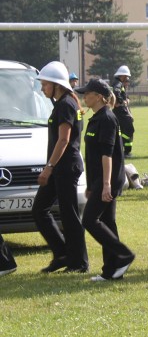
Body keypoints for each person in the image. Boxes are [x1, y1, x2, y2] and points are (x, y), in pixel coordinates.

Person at [75, 79, 136, 282]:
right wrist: (92, 185)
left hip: (108, 178)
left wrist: (106, 184)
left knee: (90, 220)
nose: (84, 96)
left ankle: (124, 255)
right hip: (100, 178)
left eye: (87, 93)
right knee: (108, 222)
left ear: (99, 96)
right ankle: (110, 271)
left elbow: (107, 154)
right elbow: (92, 155)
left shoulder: (108, 119)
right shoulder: (96, 118)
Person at [33, 61, 87, 273]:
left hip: (65, 167)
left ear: (56, 85)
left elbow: (64, 140)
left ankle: (79, 262)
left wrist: (49, 167)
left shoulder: (66, 104)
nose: (42, 88)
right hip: (60, 168)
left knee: (69, 214)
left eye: (45, 84)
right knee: (40, 209)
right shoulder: (63, 103)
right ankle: (63, 253)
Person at [112, 65, 135, 156]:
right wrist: (122, 101)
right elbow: (116, 92)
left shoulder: (117, 83)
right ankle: (126, 151)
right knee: (129, 129)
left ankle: (123, 150)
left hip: (119, 111)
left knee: (124, 130)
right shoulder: (118, 84)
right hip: (121, 111)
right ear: (123, 76)